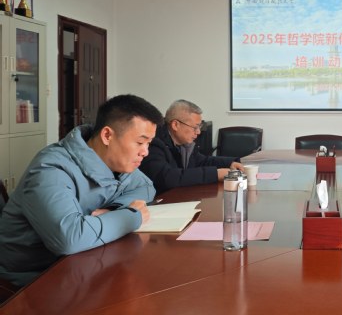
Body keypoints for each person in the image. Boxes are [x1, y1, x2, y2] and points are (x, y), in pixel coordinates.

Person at [0, 94, 163, 288]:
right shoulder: (50, 169)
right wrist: (131, 216)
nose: (145, 152)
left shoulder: (116, 163)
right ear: (107, 136)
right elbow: (69, 239)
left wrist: (113, 209)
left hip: (82, 267)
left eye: (148, 143)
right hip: (32, 281)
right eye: (140, 142)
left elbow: (146, 187)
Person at [140, 99, 243, 194]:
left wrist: (233, 162)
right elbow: (167, 177)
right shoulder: (153, 142)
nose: (198, 132)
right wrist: (216, 174)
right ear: (175, 125)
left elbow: (201, 161)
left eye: (199, 127)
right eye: (195, 127)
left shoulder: (184, 143)